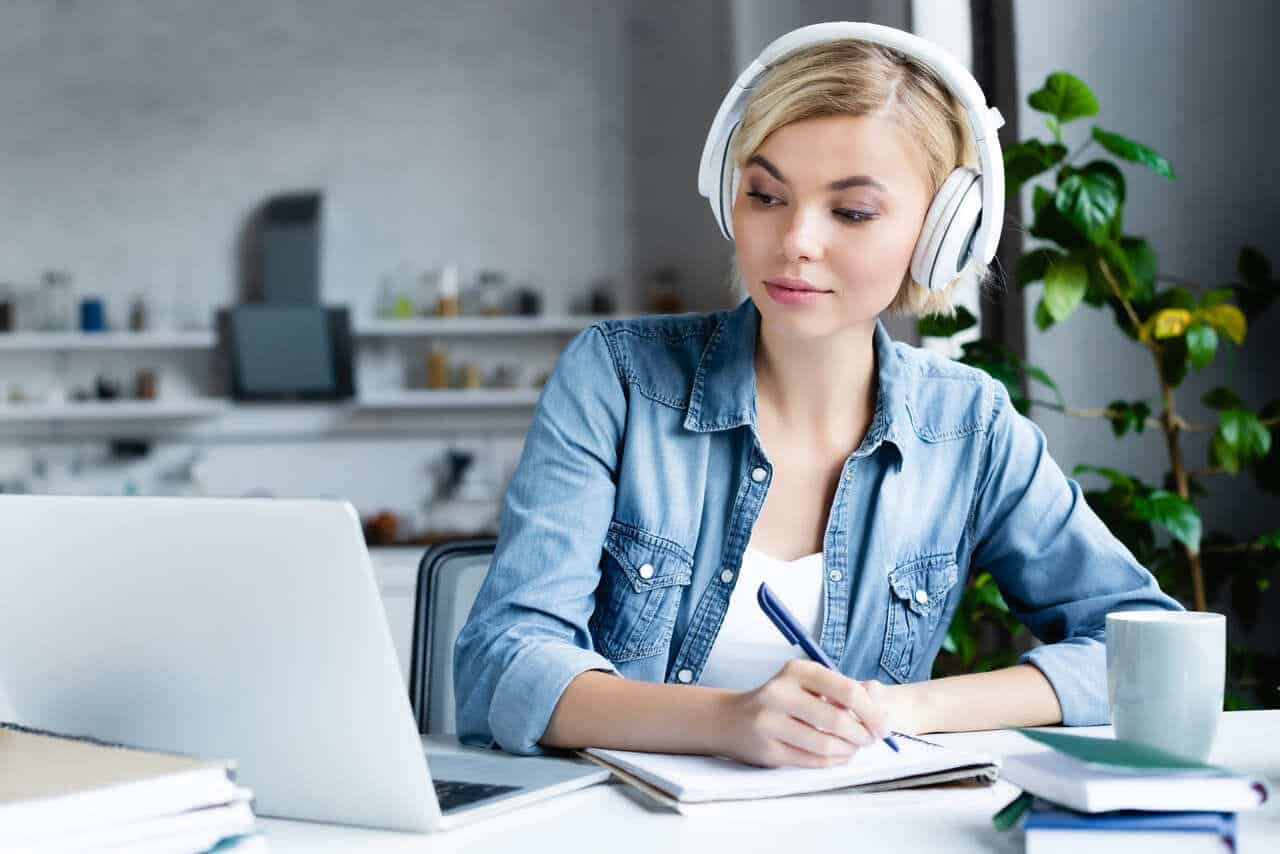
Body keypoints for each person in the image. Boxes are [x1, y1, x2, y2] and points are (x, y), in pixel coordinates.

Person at [453, 22, 1181, 768]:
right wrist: (729, 721)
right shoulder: (618, 379)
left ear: (942, 233)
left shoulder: (970, 426)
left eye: (852, 211)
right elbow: (503, 665)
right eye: (765, 195)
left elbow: (1146, 649)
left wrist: (907, 707)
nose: (795, 239)